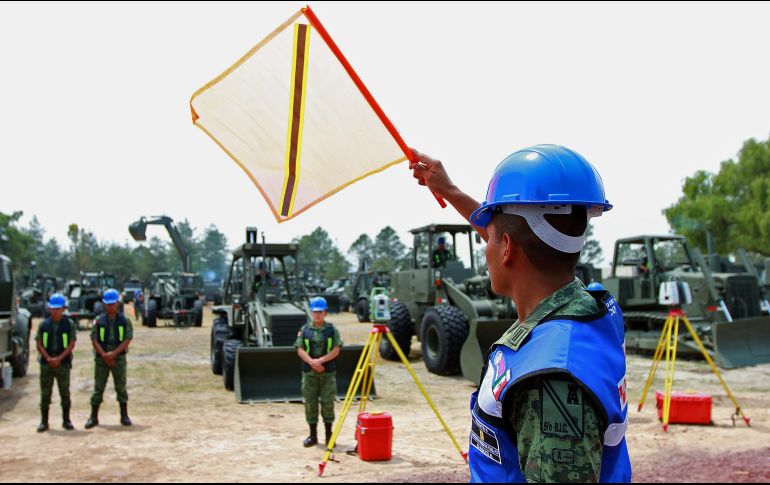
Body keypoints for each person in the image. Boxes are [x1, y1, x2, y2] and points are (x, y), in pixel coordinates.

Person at [410, 145, 631, 483]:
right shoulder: (592, 310)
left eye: (491, 239)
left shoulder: (549, 378)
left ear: (508, 249)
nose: (486, 248)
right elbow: (526, 239)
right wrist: (449, 192)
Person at [294, 296, 342, 447]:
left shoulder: (332, 330)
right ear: (311, 313)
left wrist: (321, 361)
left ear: (325, 312)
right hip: (309, 374)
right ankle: (312, 435)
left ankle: (329, 436)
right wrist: (312, 362)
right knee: (310, 403)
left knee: (328, 403)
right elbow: (299, 349)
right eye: (315, 312)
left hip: (327, 373)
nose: (317, 314)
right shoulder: (304, 329)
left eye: (320, 312)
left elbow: (336, 349)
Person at [85, 288, 133, 428]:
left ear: (117, 304)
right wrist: (104, 355)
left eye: (112, 304)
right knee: (98, 388)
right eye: (107, 304)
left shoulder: (124, 320)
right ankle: (93, 417)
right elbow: (94, 339)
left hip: (119, 358)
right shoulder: (98, 321)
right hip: (101, 359)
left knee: (121, 388)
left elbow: (127, 339)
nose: (110, 306)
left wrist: (114, 354)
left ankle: (124, 416)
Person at [36, 293, 77, 432]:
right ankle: (44, 421)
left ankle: (66, 420)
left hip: (63, 363)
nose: (55, 311)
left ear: (63, 309)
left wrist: (59, 359)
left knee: (64, 393)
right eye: (53, 308)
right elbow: (39, 343)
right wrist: (48, 358)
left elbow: (71, 343)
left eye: (58, 309)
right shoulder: (44, 324)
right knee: (45, 394)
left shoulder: (69, 324)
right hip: (46, 364)